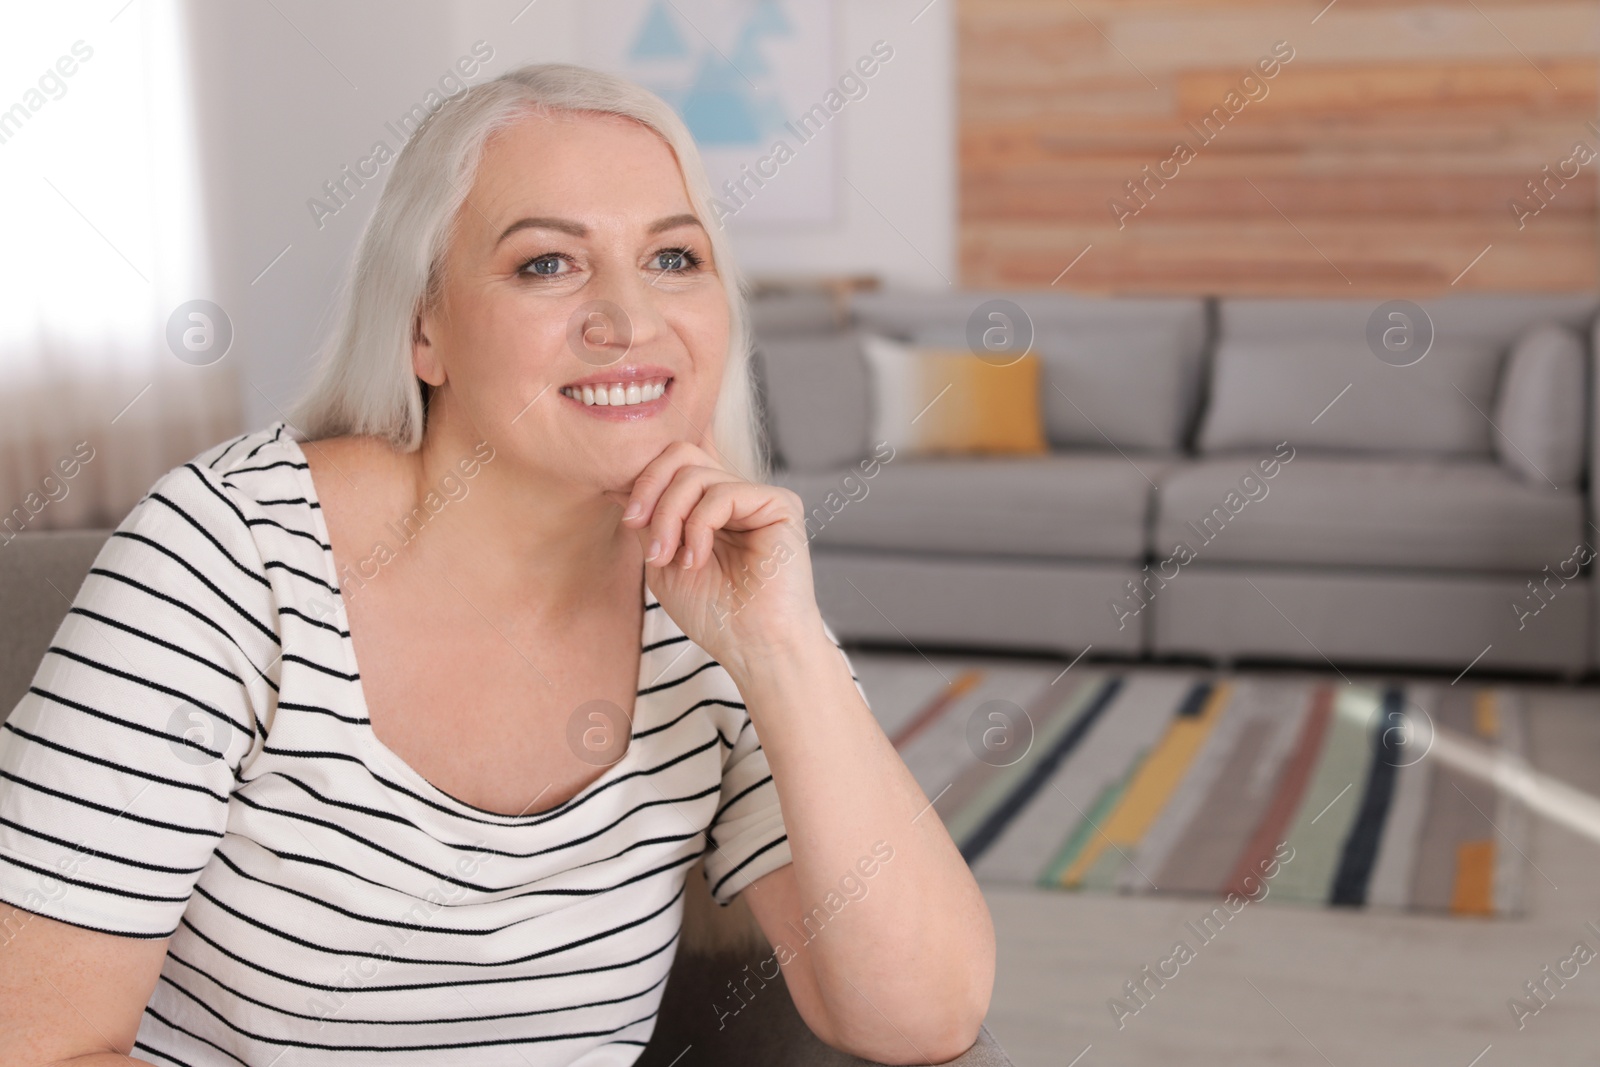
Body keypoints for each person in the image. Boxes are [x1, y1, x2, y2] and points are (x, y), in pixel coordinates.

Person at [0, 63, 994, 1066]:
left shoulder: (716, 589)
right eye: (546, 265)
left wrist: (780, 649)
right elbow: (35, 1042)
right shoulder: (232, 556)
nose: (629, 319)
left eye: (674, 257)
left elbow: (922, 1015)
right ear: (424, 328)